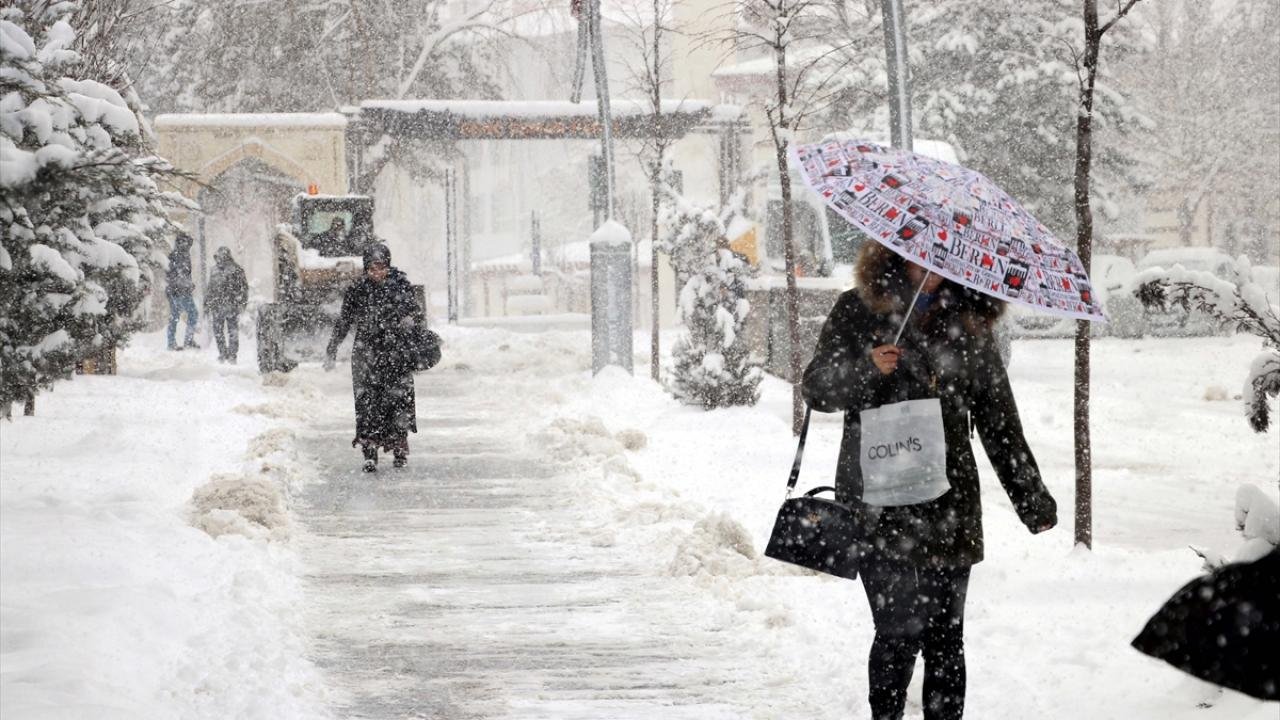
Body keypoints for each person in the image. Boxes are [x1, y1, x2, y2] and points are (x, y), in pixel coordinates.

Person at [801, 243, 1057, 720]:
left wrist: (1031, 498)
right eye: (922, 257)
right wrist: (867, 369)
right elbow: (816, 389)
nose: (933, 269)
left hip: (947, 501)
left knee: (944, 638)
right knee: (897, 631)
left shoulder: (971, 321)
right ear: (896, 256)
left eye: (945, 260)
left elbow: (998, 418)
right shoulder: (856, 309)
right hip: (878, 498)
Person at [324, 243, 423, 472]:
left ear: (388, 266)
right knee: (367, 403)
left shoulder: (401, 286)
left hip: (396, 353)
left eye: (381, 267)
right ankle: (369, 451)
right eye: (372, 268)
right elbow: (344, 320)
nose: (377, 273)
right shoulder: (357, 289)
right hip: (366, 354)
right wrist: (333, 346)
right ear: (366, 268)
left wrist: (412, 328)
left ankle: (399, 448)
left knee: (399, 402)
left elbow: (416, 314)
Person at [204, 247, 249, 363]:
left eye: (221, 256)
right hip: (220, 305)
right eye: (218, 256)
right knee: (222, 331)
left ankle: (230, 355)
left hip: (228, 305)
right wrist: (207, 304)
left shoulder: (236, 269)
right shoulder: (215, 270)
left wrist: (242, 302)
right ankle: (225, 354)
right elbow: (210, 288)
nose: (219, 259)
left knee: (229, 331)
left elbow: (244, 288)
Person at [166, 233, 199, 351]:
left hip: (174, 291)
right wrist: (187, 285)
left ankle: (171, 342)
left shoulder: (176, 255)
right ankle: (188, 340)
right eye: (188, 243)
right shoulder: (180, 255)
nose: (189, 246)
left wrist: (190, 284)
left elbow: (174, 274)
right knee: (193, 314)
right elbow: (180, 274)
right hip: (181, 291)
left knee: (174, 316)